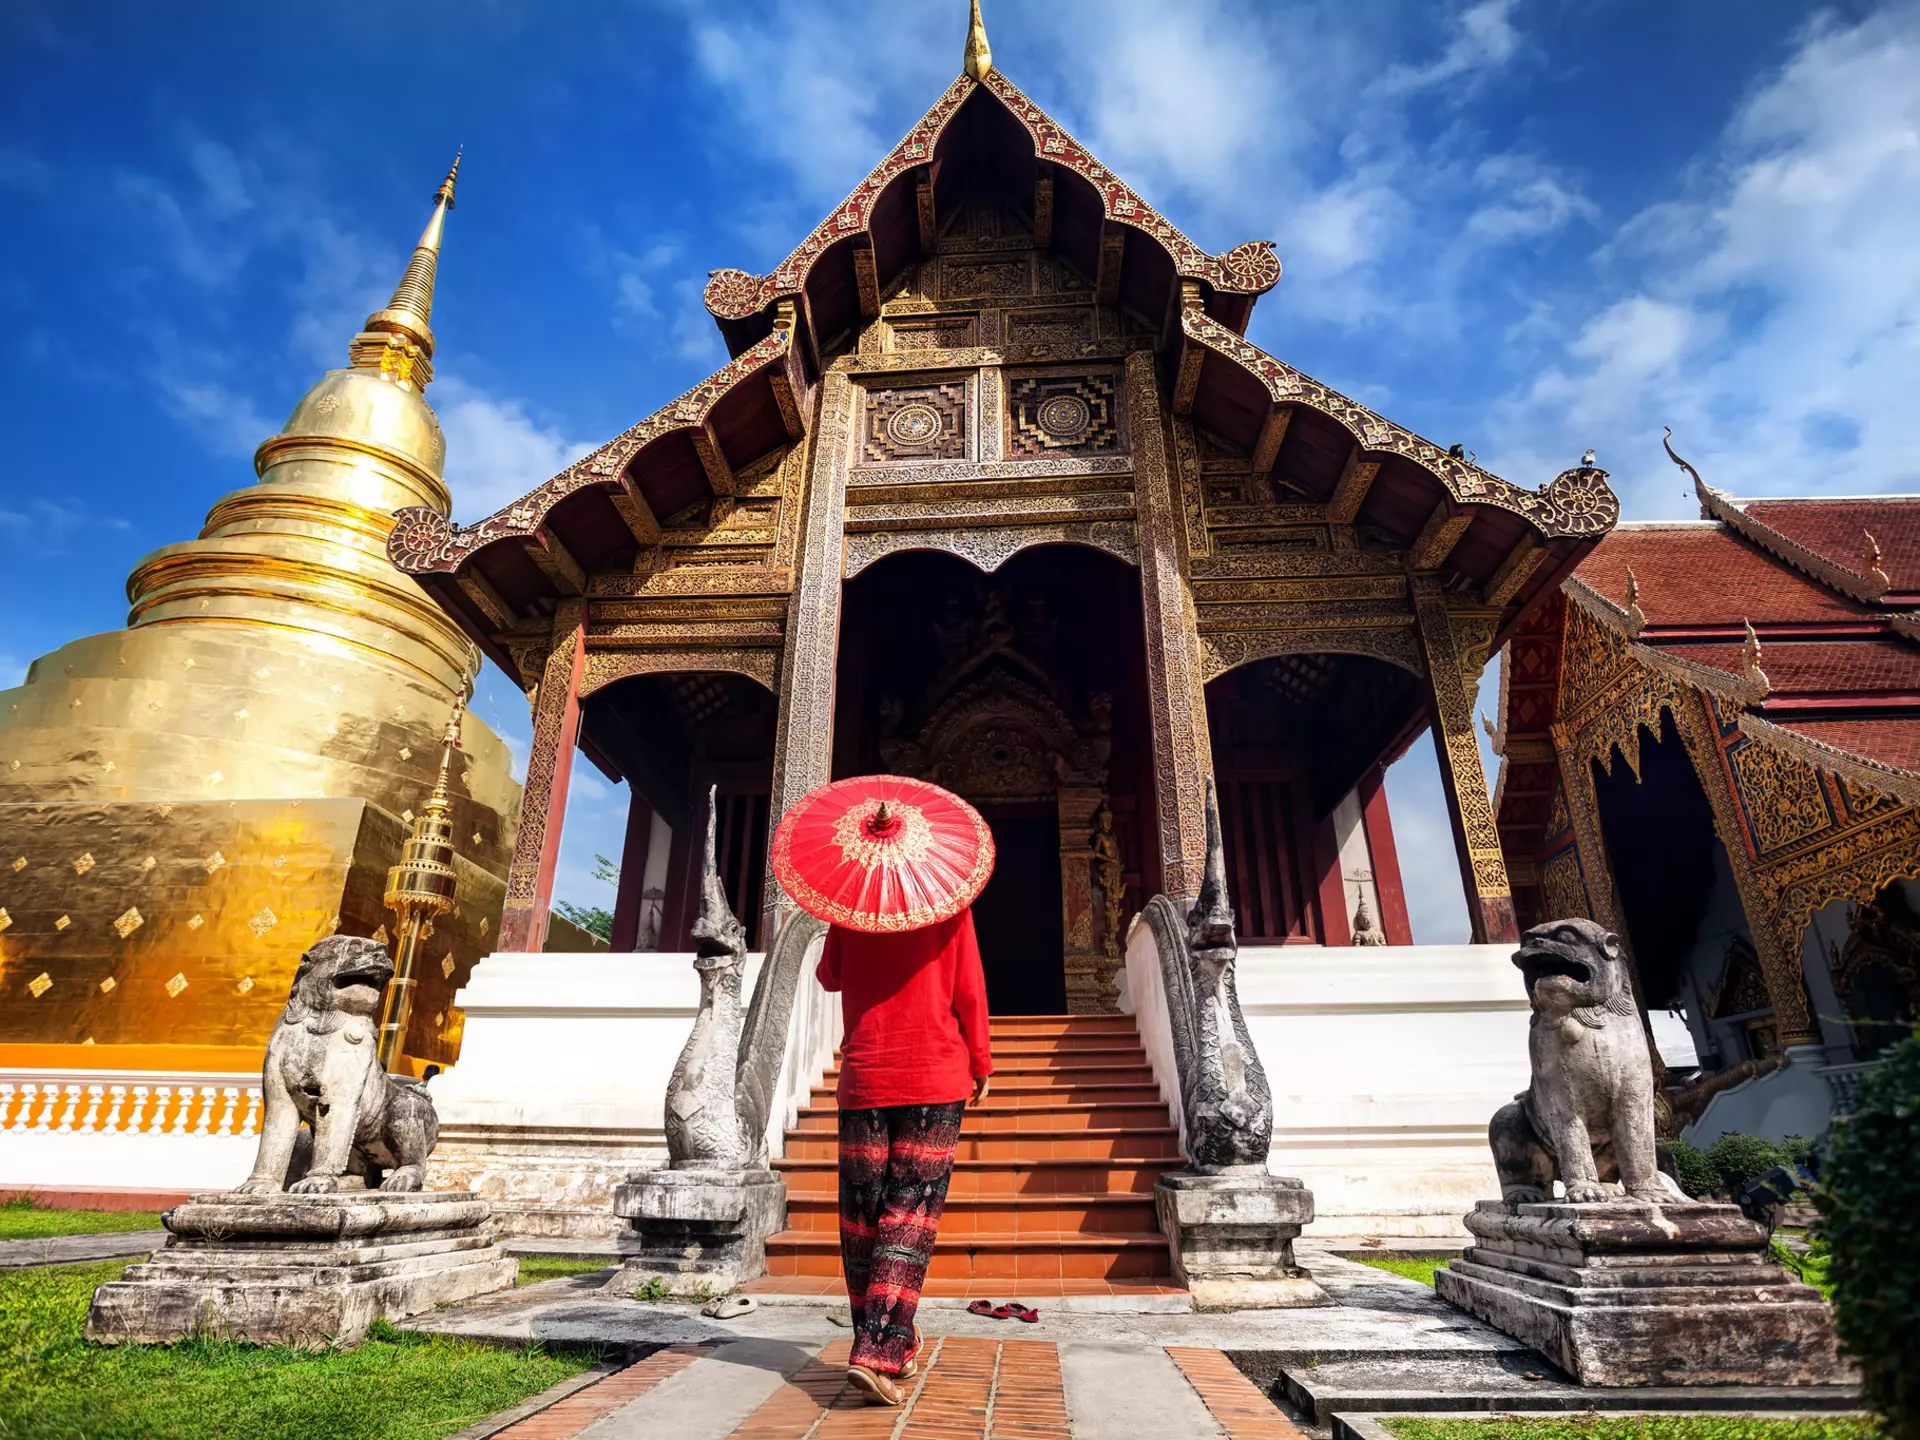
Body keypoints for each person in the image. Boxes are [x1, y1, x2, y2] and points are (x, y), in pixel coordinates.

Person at [816, 906, 992, 1406]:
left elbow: (829, 977)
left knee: (863, 1218)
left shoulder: (849, 907)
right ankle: (877, 1350)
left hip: (866, 1076)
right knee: (908, 1215)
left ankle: (891, 1340)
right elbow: (970, 988)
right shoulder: (947, 906)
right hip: (935, 1077)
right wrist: (981, 1059)